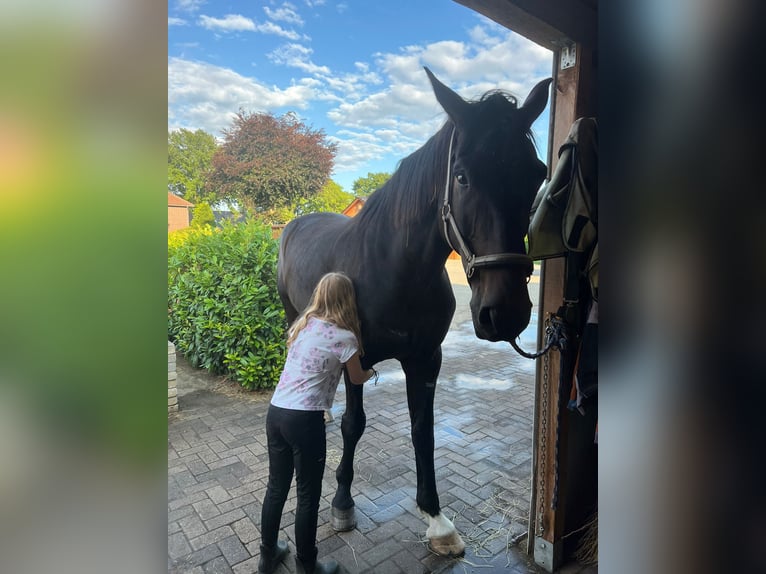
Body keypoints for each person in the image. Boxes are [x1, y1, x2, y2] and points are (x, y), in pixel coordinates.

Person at [258, 272, 376, 574]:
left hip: (277, 413)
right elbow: (356, 377)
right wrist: (372, 368)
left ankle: (268, 556)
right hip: (305, 420)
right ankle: (307, 566)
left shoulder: (303, 325)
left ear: (319, 296)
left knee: (276, 488)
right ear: (348, 300)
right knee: (308, 495)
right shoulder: (345, 338)